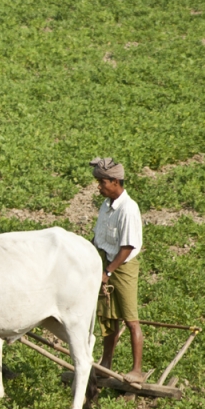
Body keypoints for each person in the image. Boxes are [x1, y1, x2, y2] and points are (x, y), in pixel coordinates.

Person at [89, 157, 145, 384]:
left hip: (122, 267)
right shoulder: (106, 205)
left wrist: (109, 272)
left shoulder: (128, 209)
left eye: (102, 182)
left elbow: (127, 246)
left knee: (131, 320)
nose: (99, 187)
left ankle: (137, 370)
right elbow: (99, 236)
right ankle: (106, 363)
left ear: (114, 181)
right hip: (106, 262)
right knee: (108, 317)